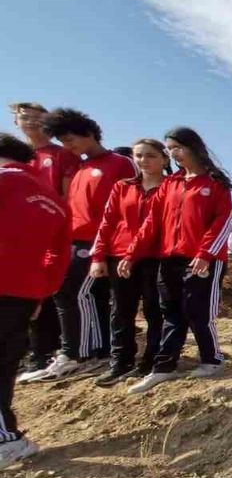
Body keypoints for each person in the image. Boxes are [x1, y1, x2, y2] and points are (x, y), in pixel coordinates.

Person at [122, 127, 232, 394]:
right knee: (170, 313)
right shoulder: (170, 183)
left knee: (198, 313)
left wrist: (205, 254)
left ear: (193, 147)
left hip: (203, 260)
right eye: (170, 149)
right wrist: (131, 253)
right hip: (169, 258)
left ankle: (212, 360)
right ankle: (163, 368)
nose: (174, 154)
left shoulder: (215, 182)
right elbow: (152, 223)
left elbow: (222, 221)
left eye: (178, 148)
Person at [27, 108, 135, 382]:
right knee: (85, 296)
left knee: (72, 292)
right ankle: (93, 352)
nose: (68, 146)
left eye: (70, 139)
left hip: (99, 241)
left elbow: (130, 206)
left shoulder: (120, 163)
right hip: (74, 239)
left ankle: (77, 354)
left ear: (88, 133)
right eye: (62, 141)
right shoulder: (80, 168)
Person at [0, 135, 71, 467]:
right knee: (5, 364)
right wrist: (43, 290)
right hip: (25, 292)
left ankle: (6, 439)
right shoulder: (54, 200)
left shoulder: (4, 182)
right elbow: (59, 256)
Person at [87, 138, 169, 386]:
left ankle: (150, 362)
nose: (144, 160)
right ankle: (120, 362)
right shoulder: (122, 187)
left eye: (151, 155)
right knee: (121, 311)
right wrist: (98, 256)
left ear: (164, 159)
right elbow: (108, 222)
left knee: (156, 311)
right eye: (139, 155)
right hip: (119, 255)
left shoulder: (172, 188)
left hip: (156, 257)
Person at [11, 104, 77, 382]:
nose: (31, 122)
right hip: (14, 235)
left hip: (49, 233)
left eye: (38, 118)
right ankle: (26, 353)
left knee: (49, 293)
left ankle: (45, 353)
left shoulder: (60, 155)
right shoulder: (16, 157)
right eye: (24, 117)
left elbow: (68, 195)